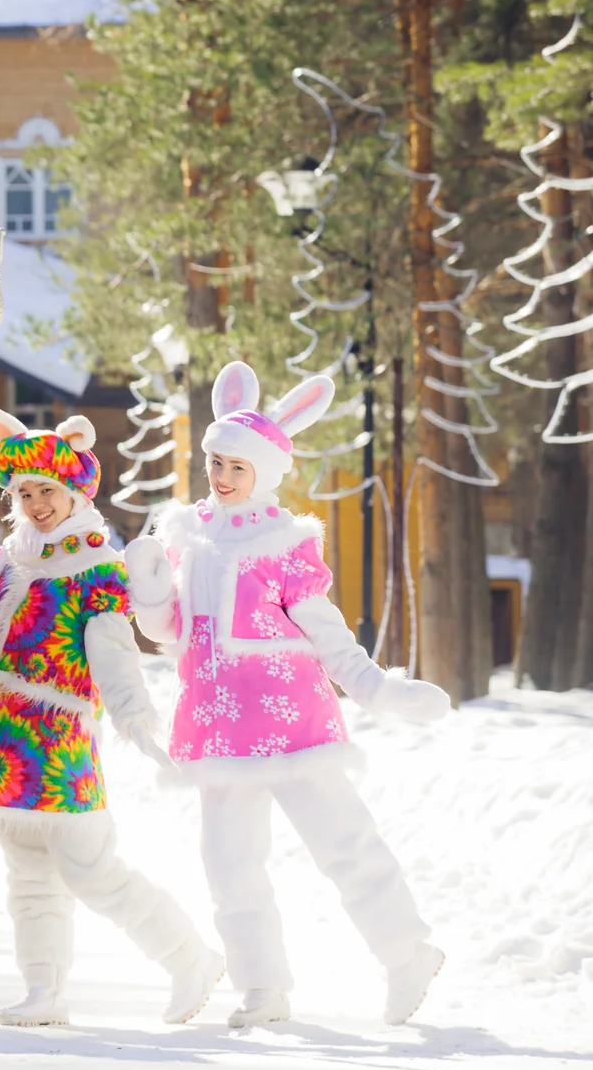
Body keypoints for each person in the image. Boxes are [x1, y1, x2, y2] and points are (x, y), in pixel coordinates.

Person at [126, 361, 449, 1028]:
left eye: (236, 467)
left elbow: (327, 632)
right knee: (229, 863)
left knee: (342, 838)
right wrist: (151, 584)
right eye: (215, 461)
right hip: (217, 722)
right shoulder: (187, 534)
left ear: (265, 472)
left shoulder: (285, 545)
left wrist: (375, 687)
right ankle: (262, 989)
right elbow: (169, 633)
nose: (220, 476)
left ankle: (407, 951)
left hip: (290, 716)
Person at [0, 404, 223, 1028]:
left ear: (74, 493)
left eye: (48, 491)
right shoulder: (15, 557)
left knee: (94, 872)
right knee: (28, 878)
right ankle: (45, 990)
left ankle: (191, 958)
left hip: (54, 741)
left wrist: (134, 715)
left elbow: (114, 650)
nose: (37, 503)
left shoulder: (94, 569)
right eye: (25, 492)